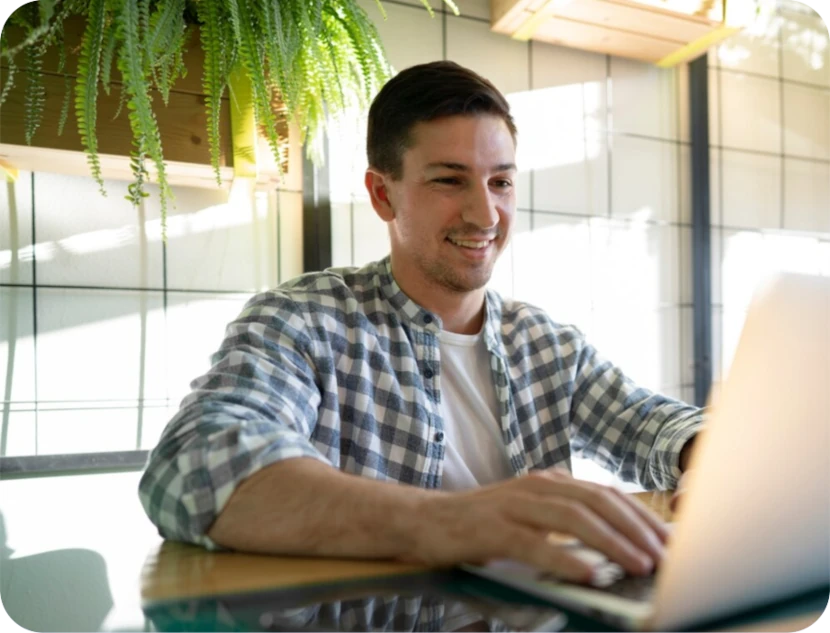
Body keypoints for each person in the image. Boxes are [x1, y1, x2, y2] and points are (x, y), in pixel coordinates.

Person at [139, 61, 703, 586]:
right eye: (449, 180)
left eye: (500, 182)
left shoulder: (547, 345)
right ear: (384, 194)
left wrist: (707, 454)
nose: (485, 215)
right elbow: (192, 467)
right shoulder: (305, 321)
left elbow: (651, 425)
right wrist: (447, 524)